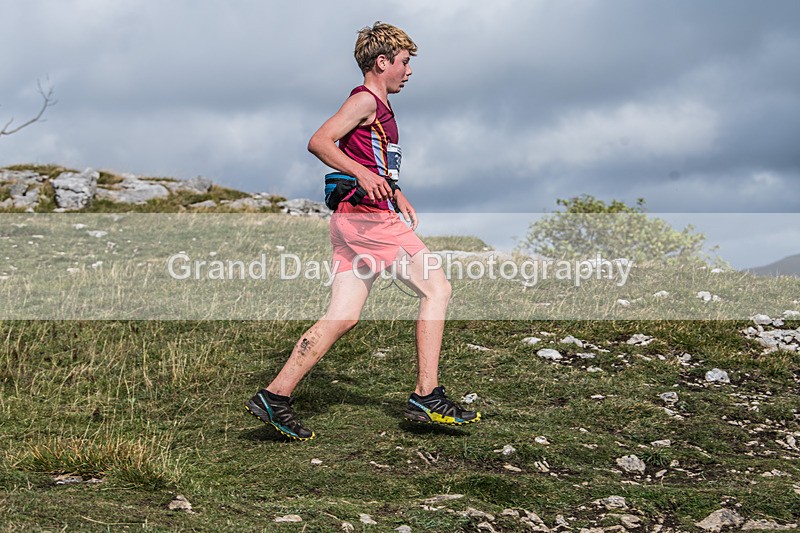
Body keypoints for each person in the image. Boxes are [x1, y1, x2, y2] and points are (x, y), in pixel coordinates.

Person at [245, 22, 480, 440]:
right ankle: (427, 395)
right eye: (404, 62)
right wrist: (362, 176)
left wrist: (395, 191)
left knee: (344, 315)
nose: (409, 71)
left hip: (352, 220)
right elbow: (320, 141)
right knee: (437, 289)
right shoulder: (365, 101)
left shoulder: (380, 109)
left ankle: (274, 396)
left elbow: (374, 162)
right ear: (382, 62)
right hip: (369, 221)